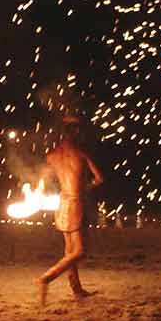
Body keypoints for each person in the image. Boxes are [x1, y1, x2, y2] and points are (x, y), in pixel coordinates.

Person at [35, 115, 104, 306]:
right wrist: (85, 187)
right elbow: (99, 179)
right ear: (75, 132)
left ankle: (77, 289)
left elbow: (41, 180)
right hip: (75, 203)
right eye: (78, 130)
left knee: (69, 250)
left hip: (62, 203)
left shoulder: (52, 155)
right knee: (80, 251)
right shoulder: (82, 155)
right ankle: (46, 278)